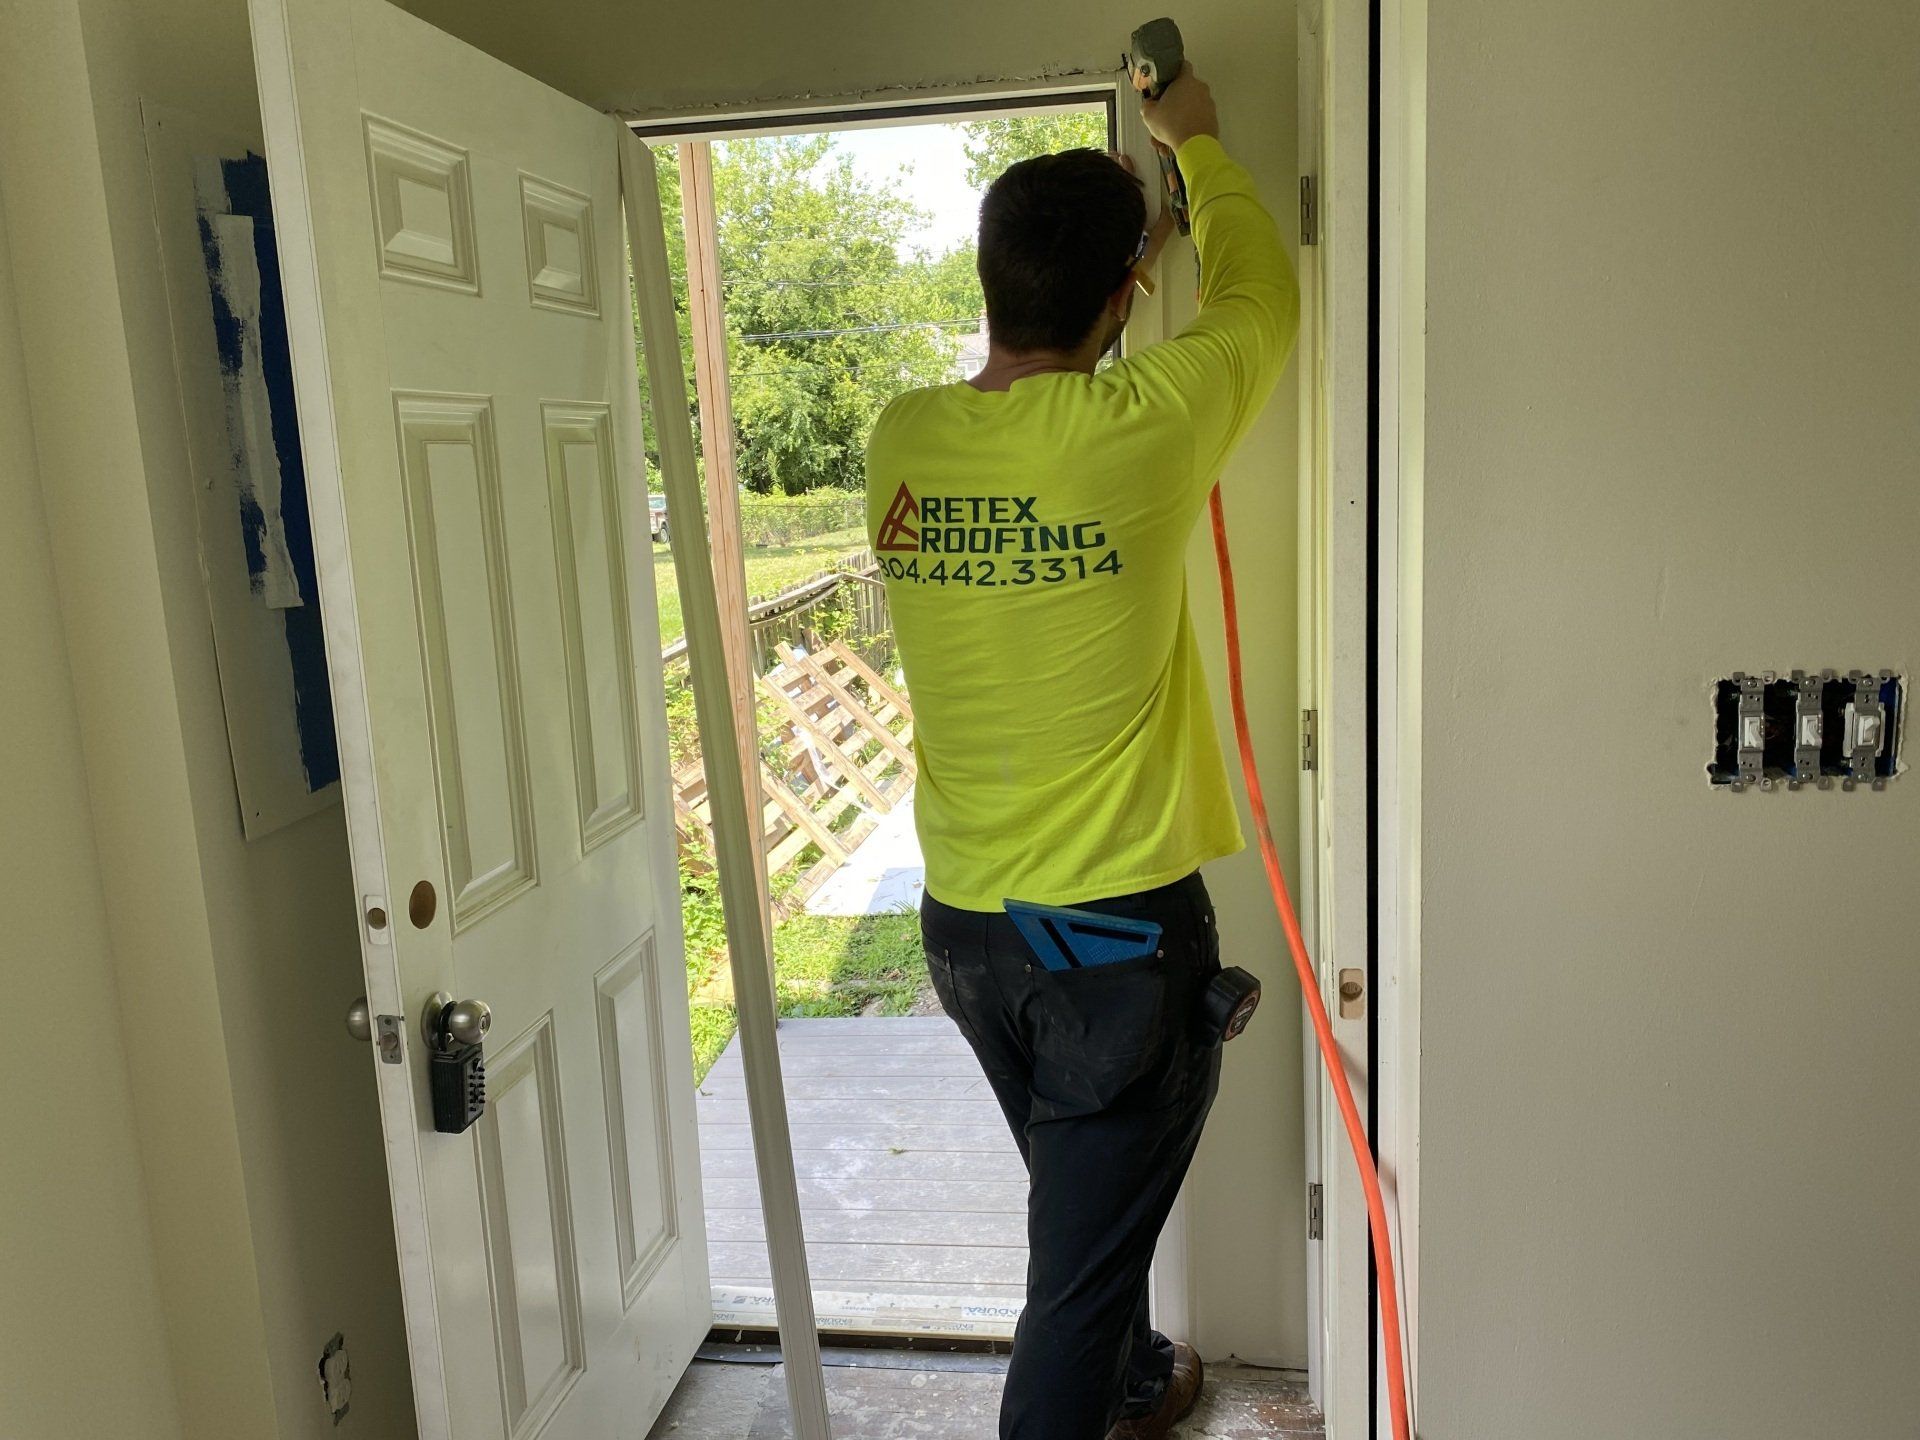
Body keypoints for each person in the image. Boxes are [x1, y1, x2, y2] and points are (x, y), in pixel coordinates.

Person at [863, 62, 1299, 1440]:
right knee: (1073, 1282)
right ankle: (1092, 1380)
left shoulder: (901, 441)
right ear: (1123, 300)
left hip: (968, 934)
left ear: (990, 281)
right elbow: (1262, 302)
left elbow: (1042, 400)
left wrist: (1119, 257)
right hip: (1106, 943)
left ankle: (1130, 1375)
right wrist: (1198, 147)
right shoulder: (1144, 425)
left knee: (1081, 1219)